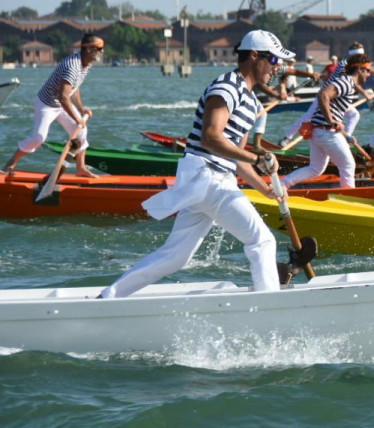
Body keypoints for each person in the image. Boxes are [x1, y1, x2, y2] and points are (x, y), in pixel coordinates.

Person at [98, 31, 294, 298]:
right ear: (254, 55)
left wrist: (265, 188)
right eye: (273, 60)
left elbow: (235, 154)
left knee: (175, 257)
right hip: (207, 177)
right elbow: (211, 137)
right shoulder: (227, 86)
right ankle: (271, 306)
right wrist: (258, 158)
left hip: (209, 181)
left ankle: (110, 296)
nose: (276, 68)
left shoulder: (251, 101)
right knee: (262, 240)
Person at [4, 33, 104, 176]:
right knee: (38, 138)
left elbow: (74, 88)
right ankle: (10, 164)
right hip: (46, 104)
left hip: (62, 104)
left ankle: (80, 168)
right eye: (99, 48)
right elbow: (63, 97)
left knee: (81, 131)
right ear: (88, 49)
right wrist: (77, 119)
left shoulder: (86, 64)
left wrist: (81, 109)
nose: (102, 51)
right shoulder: (72, 66)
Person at [281, 55, 374, 189]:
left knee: (315, 168)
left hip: (318, 131)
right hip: (326, 132)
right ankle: (350, 200)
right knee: (348, 165)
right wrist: (331, 120)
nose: (370, 74)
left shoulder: (348, 82)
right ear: (360, 69)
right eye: (368, 70)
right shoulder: (346, 82)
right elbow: (323, 95)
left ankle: (282, 184)